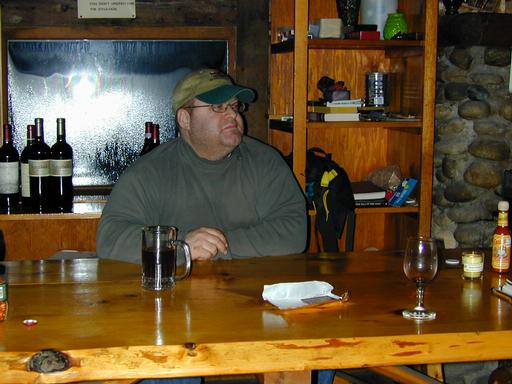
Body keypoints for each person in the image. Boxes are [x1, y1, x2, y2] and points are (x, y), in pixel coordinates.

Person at [96, 68, 308, 384]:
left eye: (235, 107)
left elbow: (294, 232)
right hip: (177, 317)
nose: (233, 116)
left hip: (258, 309)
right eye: (217, 107)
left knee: (310, 352)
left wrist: (221, 245)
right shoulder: (151, 171)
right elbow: (109, 237)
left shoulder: (265, 162)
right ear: (185, 119)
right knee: (171, 369)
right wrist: (180, 247)